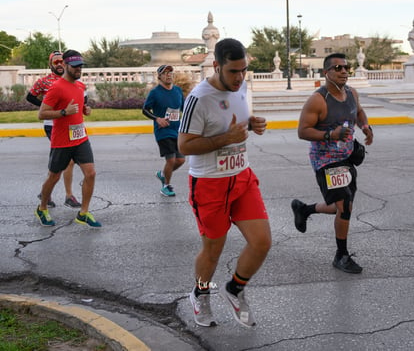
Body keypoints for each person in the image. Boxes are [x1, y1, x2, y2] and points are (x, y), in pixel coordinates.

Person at [178, 38, 271, 328]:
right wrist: (224, 139)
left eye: (243, 70)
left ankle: (235, 288)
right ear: (216, 66)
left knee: (262, 242)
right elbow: (184, 145)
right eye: (233, 71)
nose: (240, 77)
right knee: (213, 251)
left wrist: (253, 123)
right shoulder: (199, 98)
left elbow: (238, 121)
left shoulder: (241, 87)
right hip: (210, 184)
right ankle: (200, 293)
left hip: (242, 177)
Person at [291, 52, 373, 274]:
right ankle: (341, 255)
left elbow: (360, 113)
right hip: (325, 159)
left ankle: (304, 209)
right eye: (338, 68)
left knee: (343, 206)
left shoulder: (351, 93)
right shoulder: (318, 99)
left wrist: (365, 127)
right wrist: (330, 135)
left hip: (346, 156)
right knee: (344, 206)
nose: (344, 71)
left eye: (347, 68)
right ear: (326, 72)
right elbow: (302, 131)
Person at [35, 49, 101, 228]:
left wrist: (84, 110)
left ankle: (84, 213)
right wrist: (64, 112)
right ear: (64, 65)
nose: (79, 69)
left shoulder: (80, 86)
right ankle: (42, 208)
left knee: (91, 173)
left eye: (80, 66)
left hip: (80, 137)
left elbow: (78, 108)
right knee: (54, 176)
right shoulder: (56, 87)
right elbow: (42, 113)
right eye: (75, 66)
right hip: (62, 139)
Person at [27, 51, 81, 209]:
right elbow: (30, 97)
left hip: (71, 125)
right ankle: (69, 196)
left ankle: (46, 193)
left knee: (58, 163)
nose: (58, 65)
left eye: (61, 61)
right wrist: (46, 107)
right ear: (50, 64)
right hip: (53, 125)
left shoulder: (72, 80)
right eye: (55, 62)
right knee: (68, 161)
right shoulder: (44, 81)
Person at [142, 64, 185, 197]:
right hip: (163, 131)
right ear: (159, 76)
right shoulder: (155, 92)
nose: (168, 75)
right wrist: (157, 119)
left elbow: (184, 108)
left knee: (181, 160)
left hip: (177, 130)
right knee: (171, 160)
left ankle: (163, 174)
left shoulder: (177, 90)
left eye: (170, 72)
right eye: (165, 73)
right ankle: (166, 186)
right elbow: (145, 110)